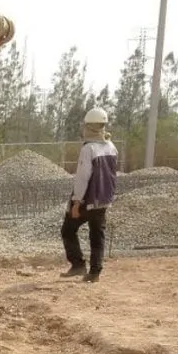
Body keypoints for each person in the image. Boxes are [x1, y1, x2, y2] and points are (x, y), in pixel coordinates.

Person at [60, 107, 118, 283]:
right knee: (97, 235)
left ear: (89, 127)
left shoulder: (88, 149)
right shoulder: (111, 147)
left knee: (68, 229)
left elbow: (83, 177)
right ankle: (95, 272)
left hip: (88, 198)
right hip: (104, 199)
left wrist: (77, 202)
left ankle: (78, 264)